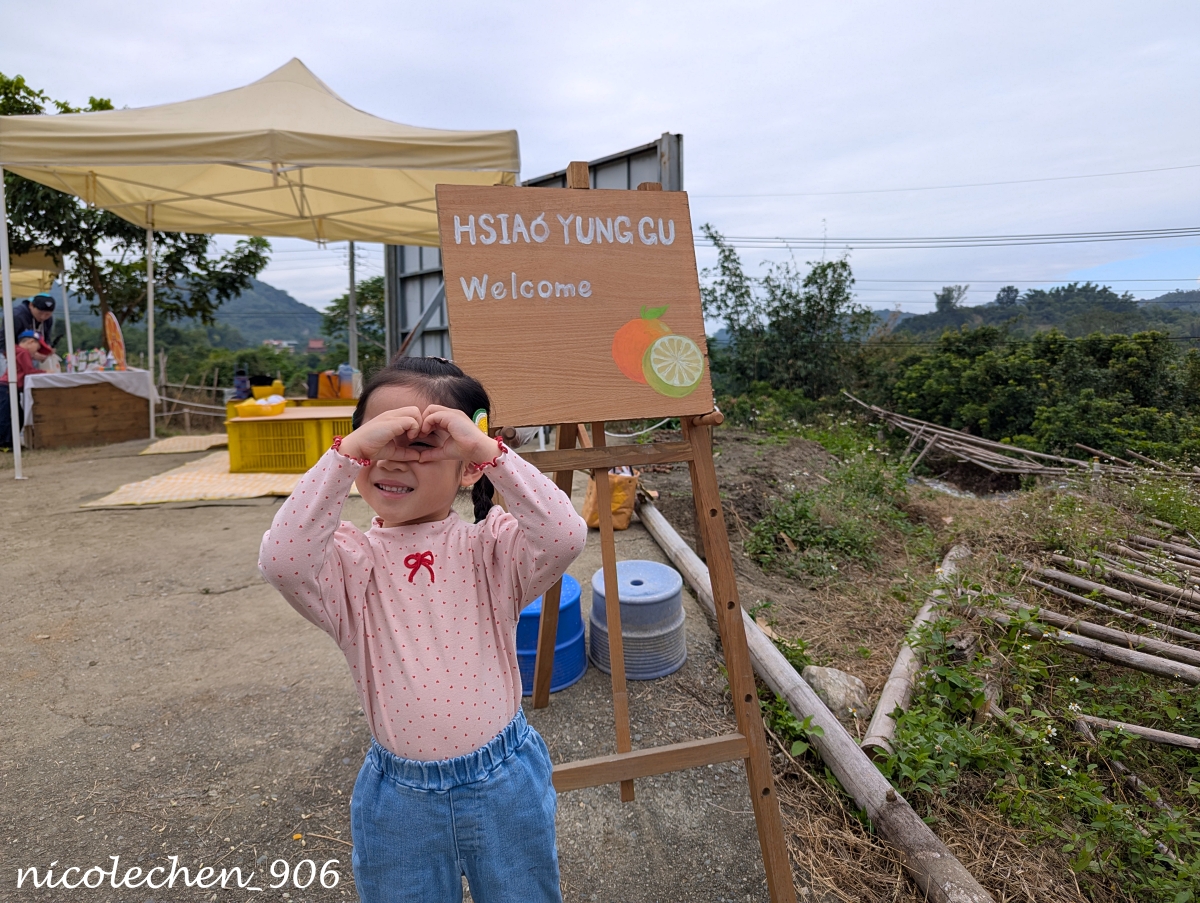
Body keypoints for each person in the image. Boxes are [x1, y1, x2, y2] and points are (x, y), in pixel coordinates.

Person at [259, 356, 586, 903]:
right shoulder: (349, 564)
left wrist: (488, 450)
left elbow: (564, 534)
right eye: (377, 441)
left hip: (506, 780)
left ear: (468, 466)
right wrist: (344, 457)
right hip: (399, 801)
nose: (392, 460)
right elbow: (282, 560)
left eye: (421, 443)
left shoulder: (489, 549)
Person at [0, 331, 50, 450]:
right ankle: (5, 443)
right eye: (37, 348)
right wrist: (46, 372)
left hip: (7, 386)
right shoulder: (23, 352)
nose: (36, 352)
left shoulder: (15, 350)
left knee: (16, 415)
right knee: (9, 416)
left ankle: (10, 441)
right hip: (8, 386)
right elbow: (29, 371)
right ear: (30, 342)